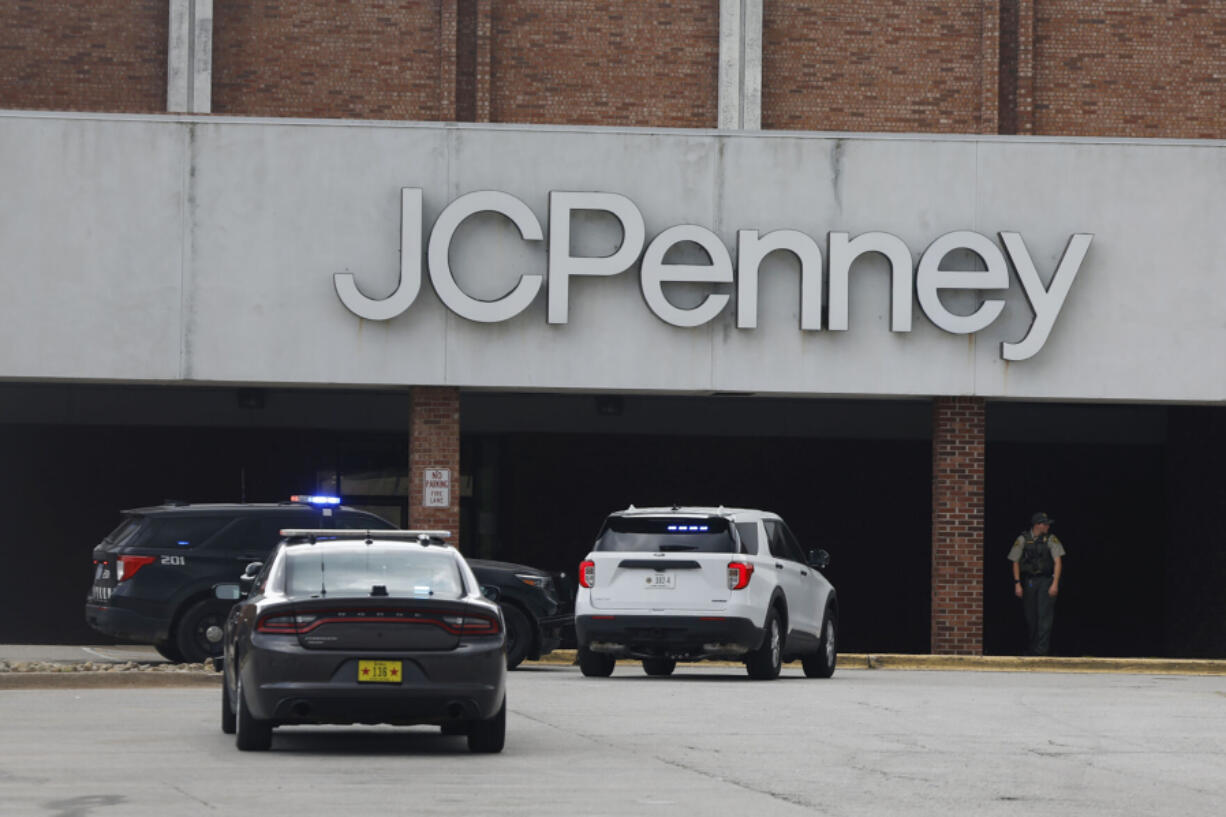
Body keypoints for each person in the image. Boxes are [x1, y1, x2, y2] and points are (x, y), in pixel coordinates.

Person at [1008, 512, 1065, 656]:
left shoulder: (1051, 539)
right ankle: (1033, 648)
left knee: (1044, 616)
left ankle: (1042, 650)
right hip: (1030, 582)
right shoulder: (1023, 539)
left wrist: (1055, 583)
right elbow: (1015, 561)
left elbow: (1058, 561)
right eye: (1045, 524)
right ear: (1037, 525)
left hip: (1046, 580)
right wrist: (1017, 583)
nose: (1048, 526)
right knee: (1030, 616)